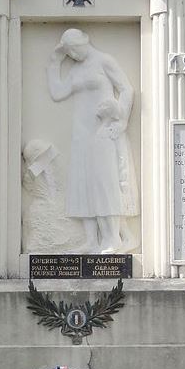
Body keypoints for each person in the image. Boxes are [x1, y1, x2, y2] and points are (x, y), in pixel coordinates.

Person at [46, 28, 138, 253]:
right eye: (68, 52)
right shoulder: (75, 69)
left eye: (74, 49)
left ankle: (112, 239)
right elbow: (58, 93)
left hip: (103, 131)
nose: (73, 55)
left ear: (84, 42)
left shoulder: (104, 61)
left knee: (104, 184)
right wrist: (54, 62)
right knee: (82, 185)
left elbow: (126, 89)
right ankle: (91, 241)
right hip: (81, 134)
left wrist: (122, 120)